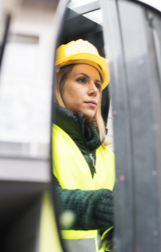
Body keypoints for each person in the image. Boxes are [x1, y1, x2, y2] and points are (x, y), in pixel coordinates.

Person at [51, 39, 114, 252]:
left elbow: (112, 230)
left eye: (97, 84)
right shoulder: (44, 138)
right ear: (58, 84)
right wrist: (96, 207)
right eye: (81, 80)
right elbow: (46, 199)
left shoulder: (107, 154)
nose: (93, 90)